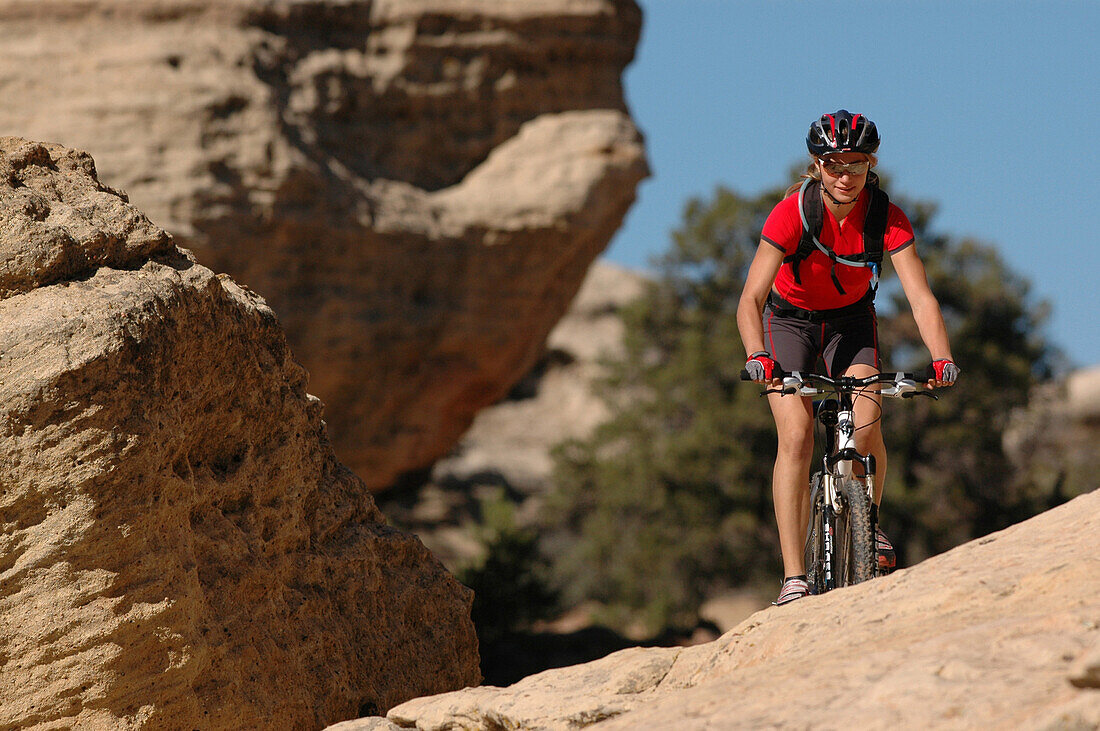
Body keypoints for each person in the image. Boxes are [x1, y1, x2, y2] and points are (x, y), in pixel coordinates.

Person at [735, 110, 959, 606]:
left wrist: (941, 357)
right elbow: (749, 298)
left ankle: (868, 524)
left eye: (855, 164)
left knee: (867, 414)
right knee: (795, 435)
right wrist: (757, 354)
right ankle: (794, 576)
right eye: (833, 164)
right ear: (816, 165)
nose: (844, 175)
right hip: (788, 322)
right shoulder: (791, 213)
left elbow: (921, 297)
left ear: (871, 163)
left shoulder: (887, 217)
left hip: (851, 322)